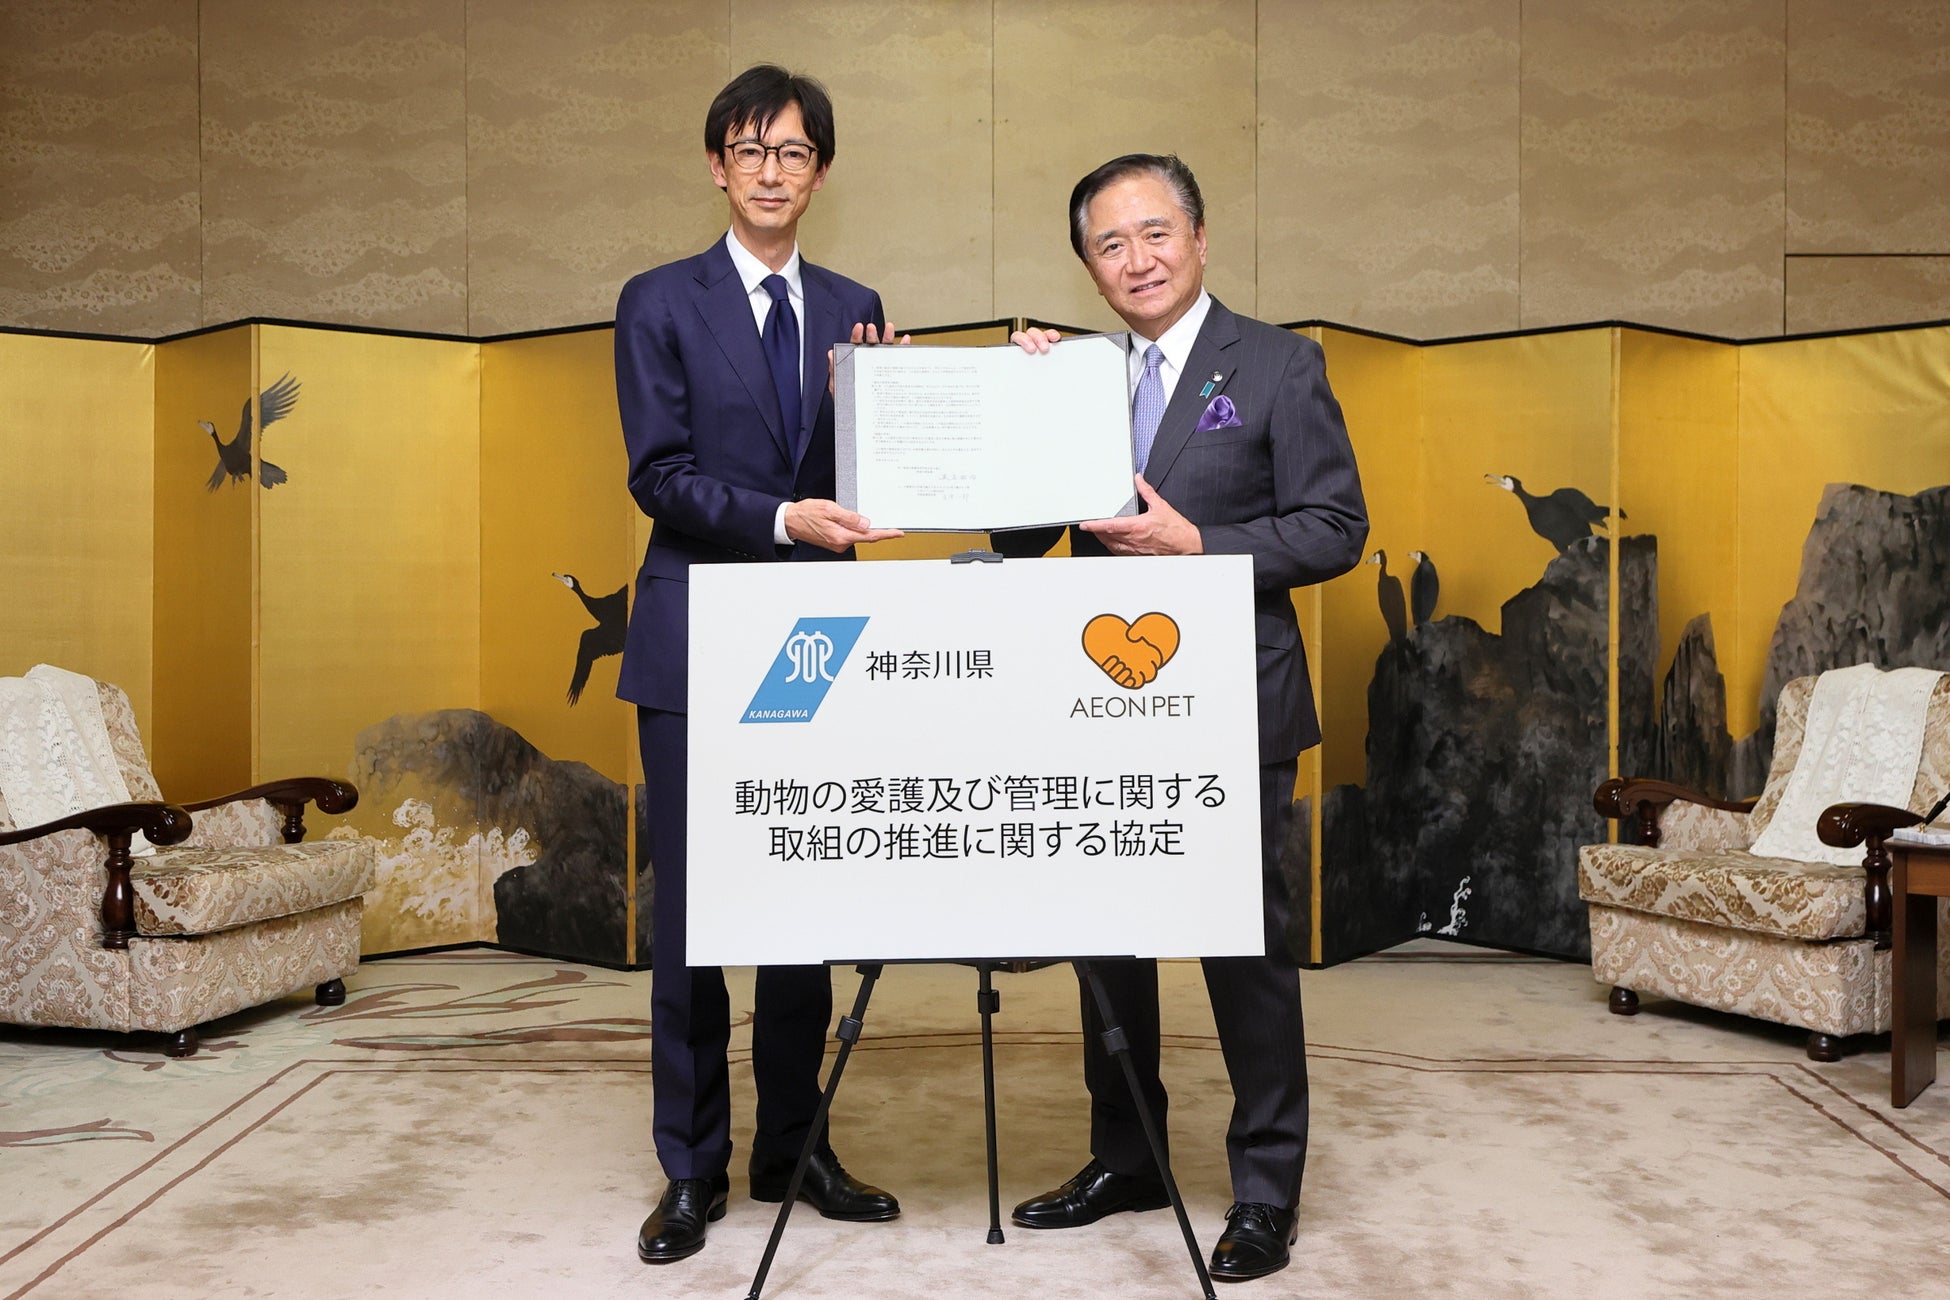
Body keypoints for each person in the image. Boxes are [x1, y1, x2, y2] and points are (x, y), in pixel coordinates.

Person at [999, 153, 1367, 1283]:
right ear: (1089, 268)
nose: (1137, 259)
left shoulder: (1280, 363)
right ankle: (1127, 1157)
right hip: (1095, 699)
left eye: (1155, 232)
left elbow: (1336, 527)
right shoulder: (1075, 374)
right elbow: (1017, 538)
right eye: (1109, 244)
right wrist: (1021, 409)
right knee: (1106, 942)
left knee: (1242, 945)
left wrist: (1197, 544)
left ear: (1200, 238)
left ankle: (1265, 1186)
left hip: (1233, 699)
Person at [613, 64, 906, 1265]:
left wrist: (879, 406)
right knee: (692, 913)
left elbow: (861, 479)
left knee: (801, 897)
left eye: (793, 152)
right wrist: (784, 519)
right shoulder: (657, 300)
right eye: (750, 149)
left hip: (814, 642)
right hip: (696, 635)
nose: (771, 171)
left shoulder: (854, 303)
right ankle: (692, 1167)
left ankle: (794, 1145)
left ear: (820, 172)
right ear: (716, 166)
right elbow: (660, 474)